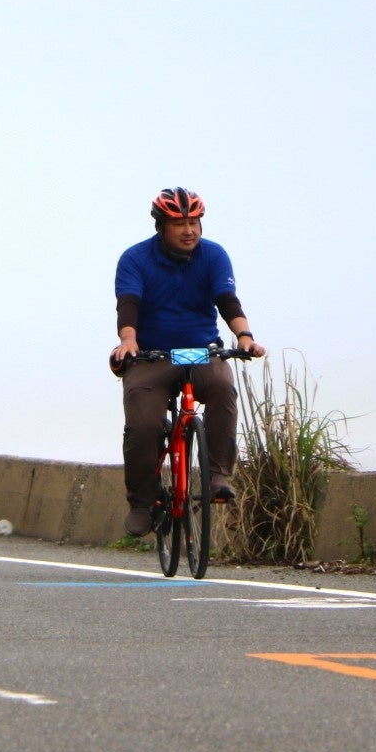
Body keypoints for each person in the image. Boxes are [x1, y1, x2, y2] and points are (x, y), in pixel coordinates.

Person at [110, 187, 266, 538]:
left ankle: (218, 476)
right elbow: (128, 304)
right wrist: (128, 341)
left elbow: (227, 300)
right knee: (143, 426)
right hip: (152, 355)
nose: (189, 230)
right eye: (179, 224)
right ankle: (142, 503)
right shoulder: (135, 258)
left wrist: (244, 336)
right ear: (161, 227)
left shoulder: (214, 255)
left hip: (200, 351)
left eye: (194, 222)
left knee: (223, 387)